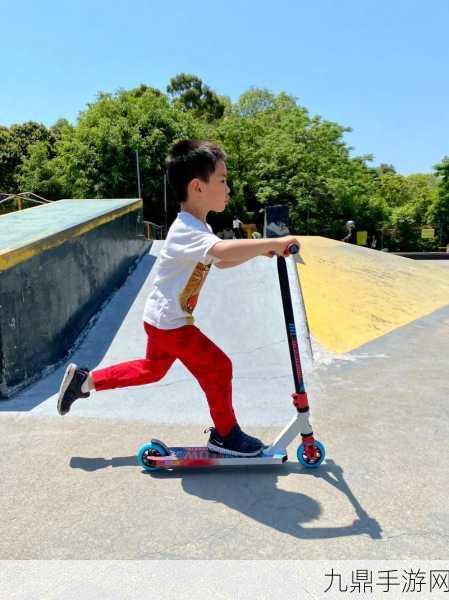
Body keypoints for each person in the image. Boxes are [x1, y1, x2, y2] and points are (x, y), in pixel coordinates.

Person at [56, 140, 300, 457]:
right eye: (223, 180)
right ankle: (226, 435)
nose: (228, 188)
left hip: (162, 318)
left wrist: (260, 251)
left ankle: (85, 382)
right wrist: (273, 241)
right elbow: (220, 251)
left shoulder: (199, 226)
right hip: (171, 324)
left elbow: (222, 261)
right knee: (218, 367)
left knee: (151, 370)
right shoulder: (187, 230)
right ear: (198, 187)